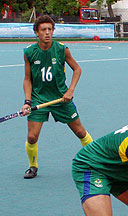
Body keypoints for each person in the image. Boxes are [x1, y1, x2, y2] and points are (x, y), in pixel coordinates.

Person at [21, 14, 93, 179]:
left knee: (80, 132)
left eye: (50, 29)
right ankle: (33, 166)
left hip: (61, 98)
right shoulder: (29, 52)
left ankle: (97, 160)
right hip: (39, 98)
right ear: (36, 33)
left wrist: (71, 90)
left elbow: (77, 69)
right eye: (43, 30)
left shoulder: (62, 49)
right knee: (32, 136)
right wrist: (27, 101)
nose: (47, 33)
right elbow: (27, 79)